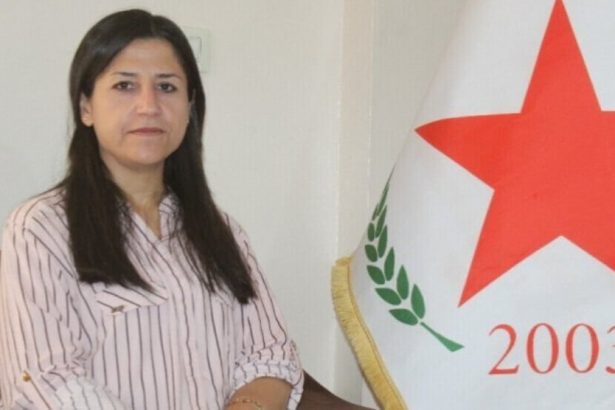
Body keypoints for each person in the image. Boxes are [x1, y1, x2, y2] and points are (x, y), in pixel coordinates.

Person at [0, 9, 303, 410]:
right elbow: (48, 382)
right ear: (86, 106)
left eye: (166, 87)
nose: (149, 105)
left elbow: (272, 356)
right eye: (124, 85)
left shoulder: (223, 233)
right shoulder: (40, 230)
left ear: (189, 107)